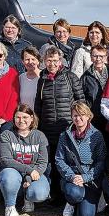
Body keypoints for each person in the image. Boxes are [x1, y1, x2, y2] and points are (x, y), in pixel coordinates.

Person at [34, 46, 85, 204]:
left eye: (55, 60)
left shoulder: (70, 77)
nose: (52, 64)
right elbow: (38, 104)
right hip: (48, 129)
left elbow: (80, 100)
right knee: (50, 164)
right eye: (49, 60)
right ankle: (53, 195)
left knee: (66, 162)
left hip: (66, 128)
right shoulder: (42, 79)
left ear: (61, 60)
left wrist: (78, 124)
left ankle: (66, 196)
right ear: (44, 61)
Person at [55, 101, 106, 216]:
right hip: (72, 178)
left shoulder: (97, 136)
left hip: (90, 179)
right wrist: (72, 176)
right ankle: (71, 202)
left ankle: (95, 198)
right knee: (74, 193)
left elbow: (101, 161)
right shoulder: (65, 136)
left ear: (88, 116)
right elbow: (59, 159)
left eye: (81, 114)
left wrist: (85, 177)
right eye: (75, 115)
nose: (78, 118)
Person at [0, 104, 50, 216]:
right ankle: (10, 206)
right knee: (9, 176)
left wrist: (29, 178)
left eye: (25, 117)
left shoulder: (40, 136)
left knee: (39, 194)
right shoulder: (7, 135)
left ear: (32, 118)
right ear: (14, 118)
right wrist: (29, 171)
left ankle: (28, 197)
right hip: (13, 172)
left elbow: (42, 162)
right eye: (18, 117)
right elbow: (6, 160)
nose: (21, 121)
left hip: (33, 174)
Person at [81, 45, 109, 133]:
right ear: (91, 58)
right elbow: (82, 98)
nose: (98, 59)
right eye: (95, 56)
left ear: (106, 57)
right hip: (94, 117)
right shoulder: (85, 77)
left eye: (101, 56)